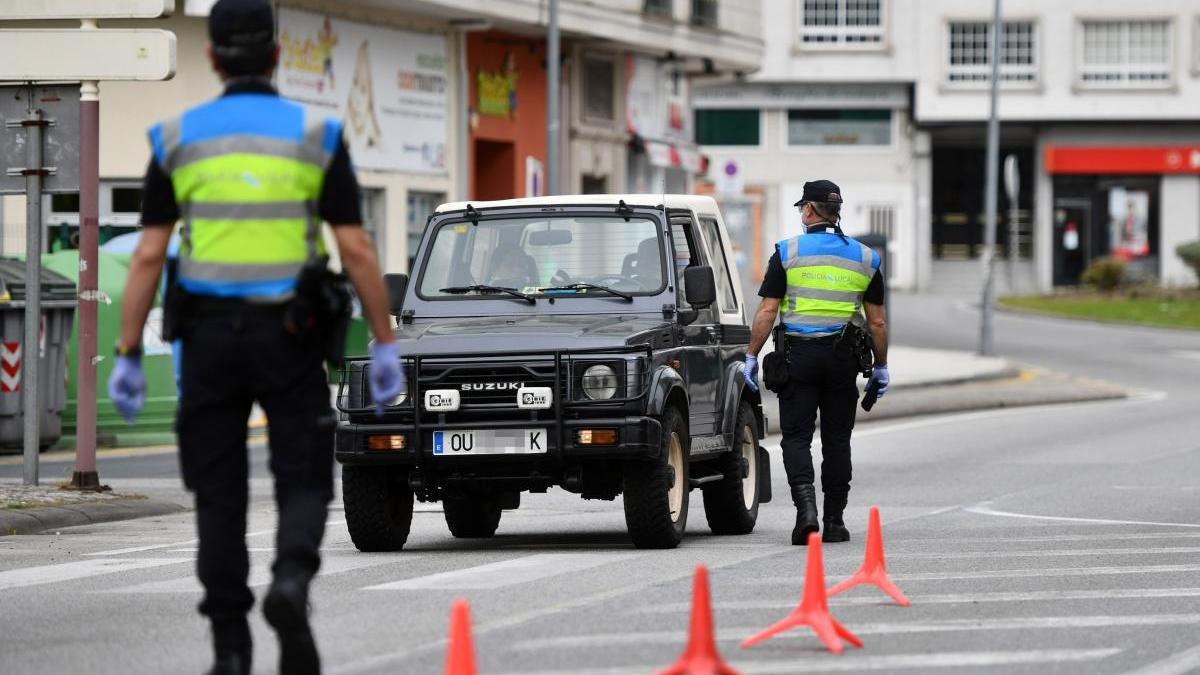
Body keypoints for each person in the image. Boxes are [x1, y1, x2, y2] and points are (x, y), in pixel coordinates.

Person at [105, 1, 404, 673]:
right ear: (276, 54)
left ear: (211, 57)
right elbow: (355, 248)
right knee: (303, 476)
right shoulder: (317, 135)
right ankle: (291, 581)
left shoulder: (175, 137)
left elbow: (149, 256)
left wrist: (126, 352)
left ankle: (231, 650)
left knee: (219, 494)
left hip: (206, 343)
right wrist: (384, 341)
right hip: (290, 337)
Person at [742, 180, 889, 546]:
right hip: (843, 361)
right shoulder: (864, 258)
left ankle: (805, 512)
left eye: (801, 209)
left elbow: (768, 309)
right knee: (838, 441)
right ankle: (835, 522)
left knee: (796, 437)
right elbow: (877, 322)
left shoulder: (788, 252)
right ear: (835, 212)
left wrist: (750, 356)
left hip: (798, 358)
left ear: (809, 210)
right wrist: (882, 365)